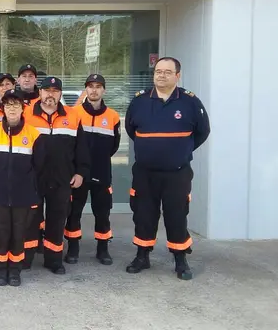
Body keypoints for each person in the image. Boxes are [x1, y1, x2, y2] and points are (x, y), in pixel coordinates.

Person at [125, 57, 210, 280]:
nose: (161, 75)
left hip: (177, 173)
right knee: (143, 215)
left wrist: (180, 151)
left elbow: (202, 132)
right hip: (145, 172)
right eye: (158, 71)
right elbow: (131, 130)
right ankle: (142, 256)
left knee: (177, 216)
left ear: (177, 76)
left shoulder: (190, 102)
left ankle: (180, 259)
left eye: (167, 72)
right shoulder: (140, 101)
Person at [24, 76, 90, 274]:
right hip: (32, 178)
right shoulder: (26, 114)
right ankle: (26, 258)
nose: (50, 94)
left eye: (54, 91)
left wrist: (80, 172)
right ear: (40, 92)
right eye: (46, 90)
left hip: (62, 178)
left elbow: (82, 149)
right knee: (30, 219)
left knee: (57, 219)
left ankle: (53, 261)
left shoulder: (73, 115)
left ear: (60, 94)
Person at [0, 90, 42, 287]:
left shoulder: (34, 134)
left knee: (18, 236)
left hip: (23, 197)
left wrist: (32, 193)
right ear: (2, 109)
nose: (12, 109)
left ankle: (15, 271)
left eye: (16, 105)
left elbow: (39, 167)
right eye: (8, 105)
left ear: (23, 108)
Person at [64, 74, 121, 265]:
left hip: (102, 172)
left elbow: (114, 146)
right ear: (85, 90)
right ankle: (73, 248)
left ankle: (103, 249)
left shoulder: (112, 116)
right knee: (74, 212)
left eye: (98, 86)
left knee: (102, 213)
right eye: (90, 86)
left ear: (104, 90)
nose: (94, 90)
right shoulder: (74, 113)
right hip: (78, 173)